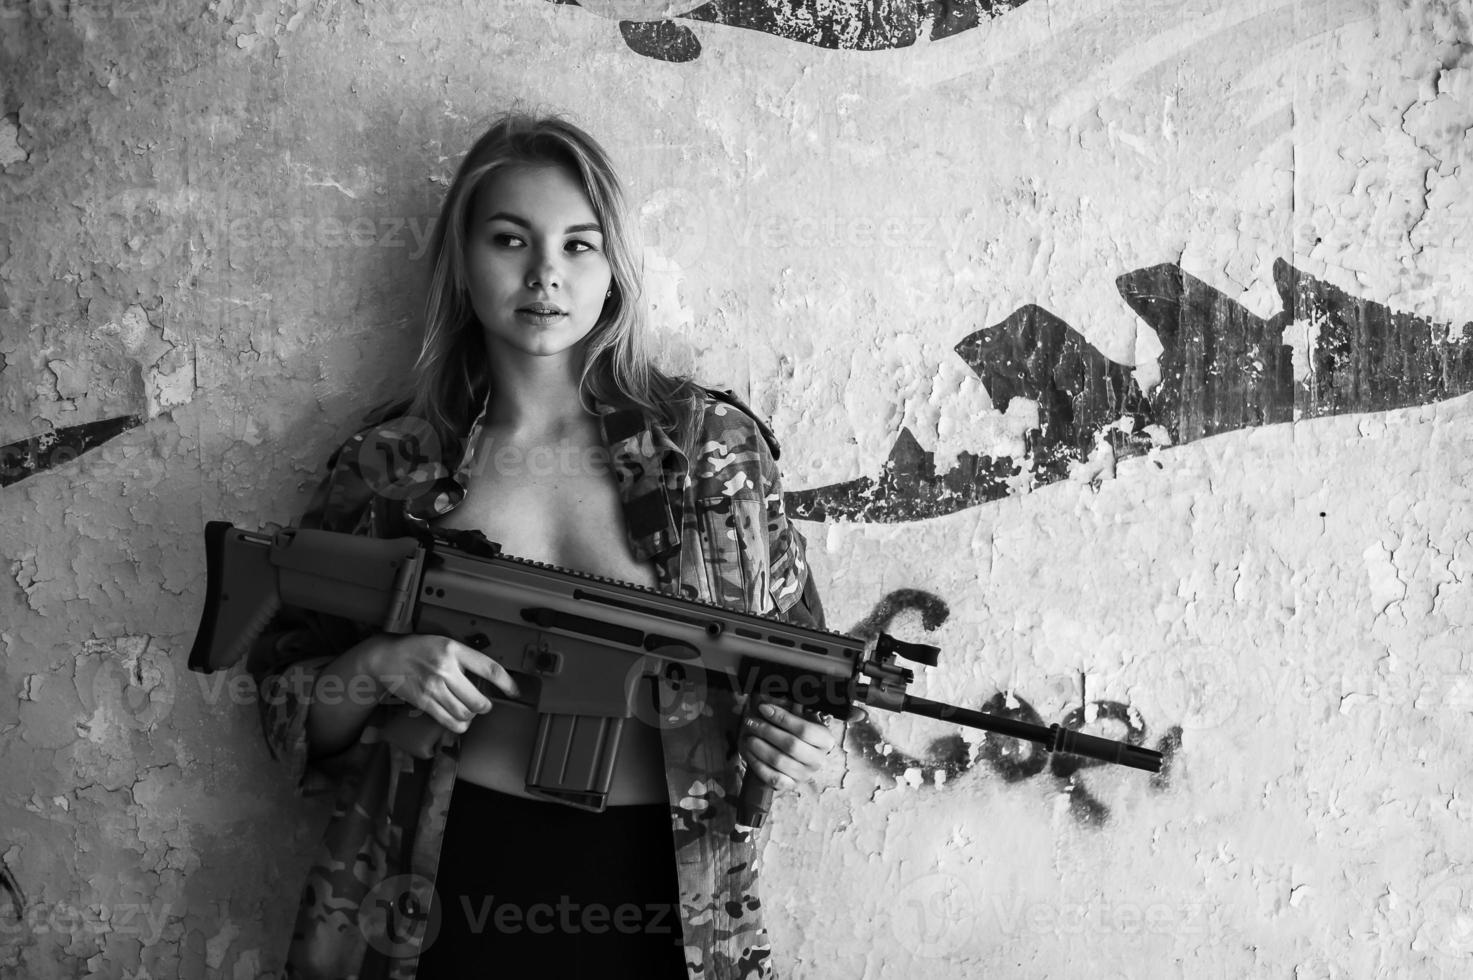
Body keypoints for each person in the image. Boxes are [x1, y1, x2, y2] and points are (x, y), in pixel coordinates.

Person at [247, 111, 835, 980]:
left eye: (578, 245)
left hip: (669, 895)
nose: (544, 275)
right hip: (436, 882)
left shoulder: (712, 453)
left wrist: (795, 741)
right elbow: (288, 705)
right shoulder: (394, 465)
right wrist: (381, 665)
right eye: (511, 240)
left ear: (614, 270)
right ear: (463, 260)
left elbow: (794, 664)